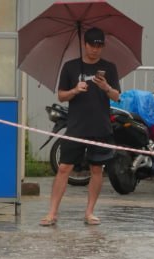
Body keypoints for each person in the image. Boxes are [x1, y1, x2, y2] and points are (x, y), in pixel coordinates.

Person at [40, 27, 121, 227]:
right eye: (92, 45)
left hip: (100, 126)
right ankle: (52, 213)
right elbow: (61, 95)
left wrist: (106, 87)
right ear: (84, 45)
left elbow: (117, 96)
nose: (95, 49)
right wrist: (75, 90)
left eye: (99, 45)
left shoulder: (109, 68)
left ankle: (90, 212)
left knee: (96, 169)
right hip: (76, 126)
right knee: (64, 168)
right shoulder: (70, 67)